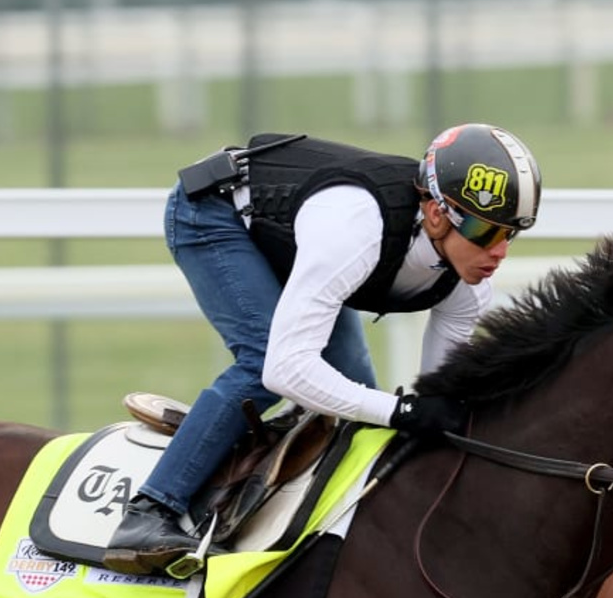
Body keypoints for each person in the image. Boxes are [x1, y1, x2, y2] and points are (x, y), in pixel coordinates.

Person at [104, 122, 542, 574]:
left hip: (290, 235)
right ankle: (149, 512)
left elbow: (437, 402)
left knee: (354, 400)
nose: (500, 252)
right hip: (215, 214)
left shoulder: (468, 287)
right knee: (262, 359)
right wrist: (402, 412)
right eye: (486, 232)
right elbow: (285, 369)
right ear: (435, 213)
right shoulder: (357, 229)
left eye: (512, 233)